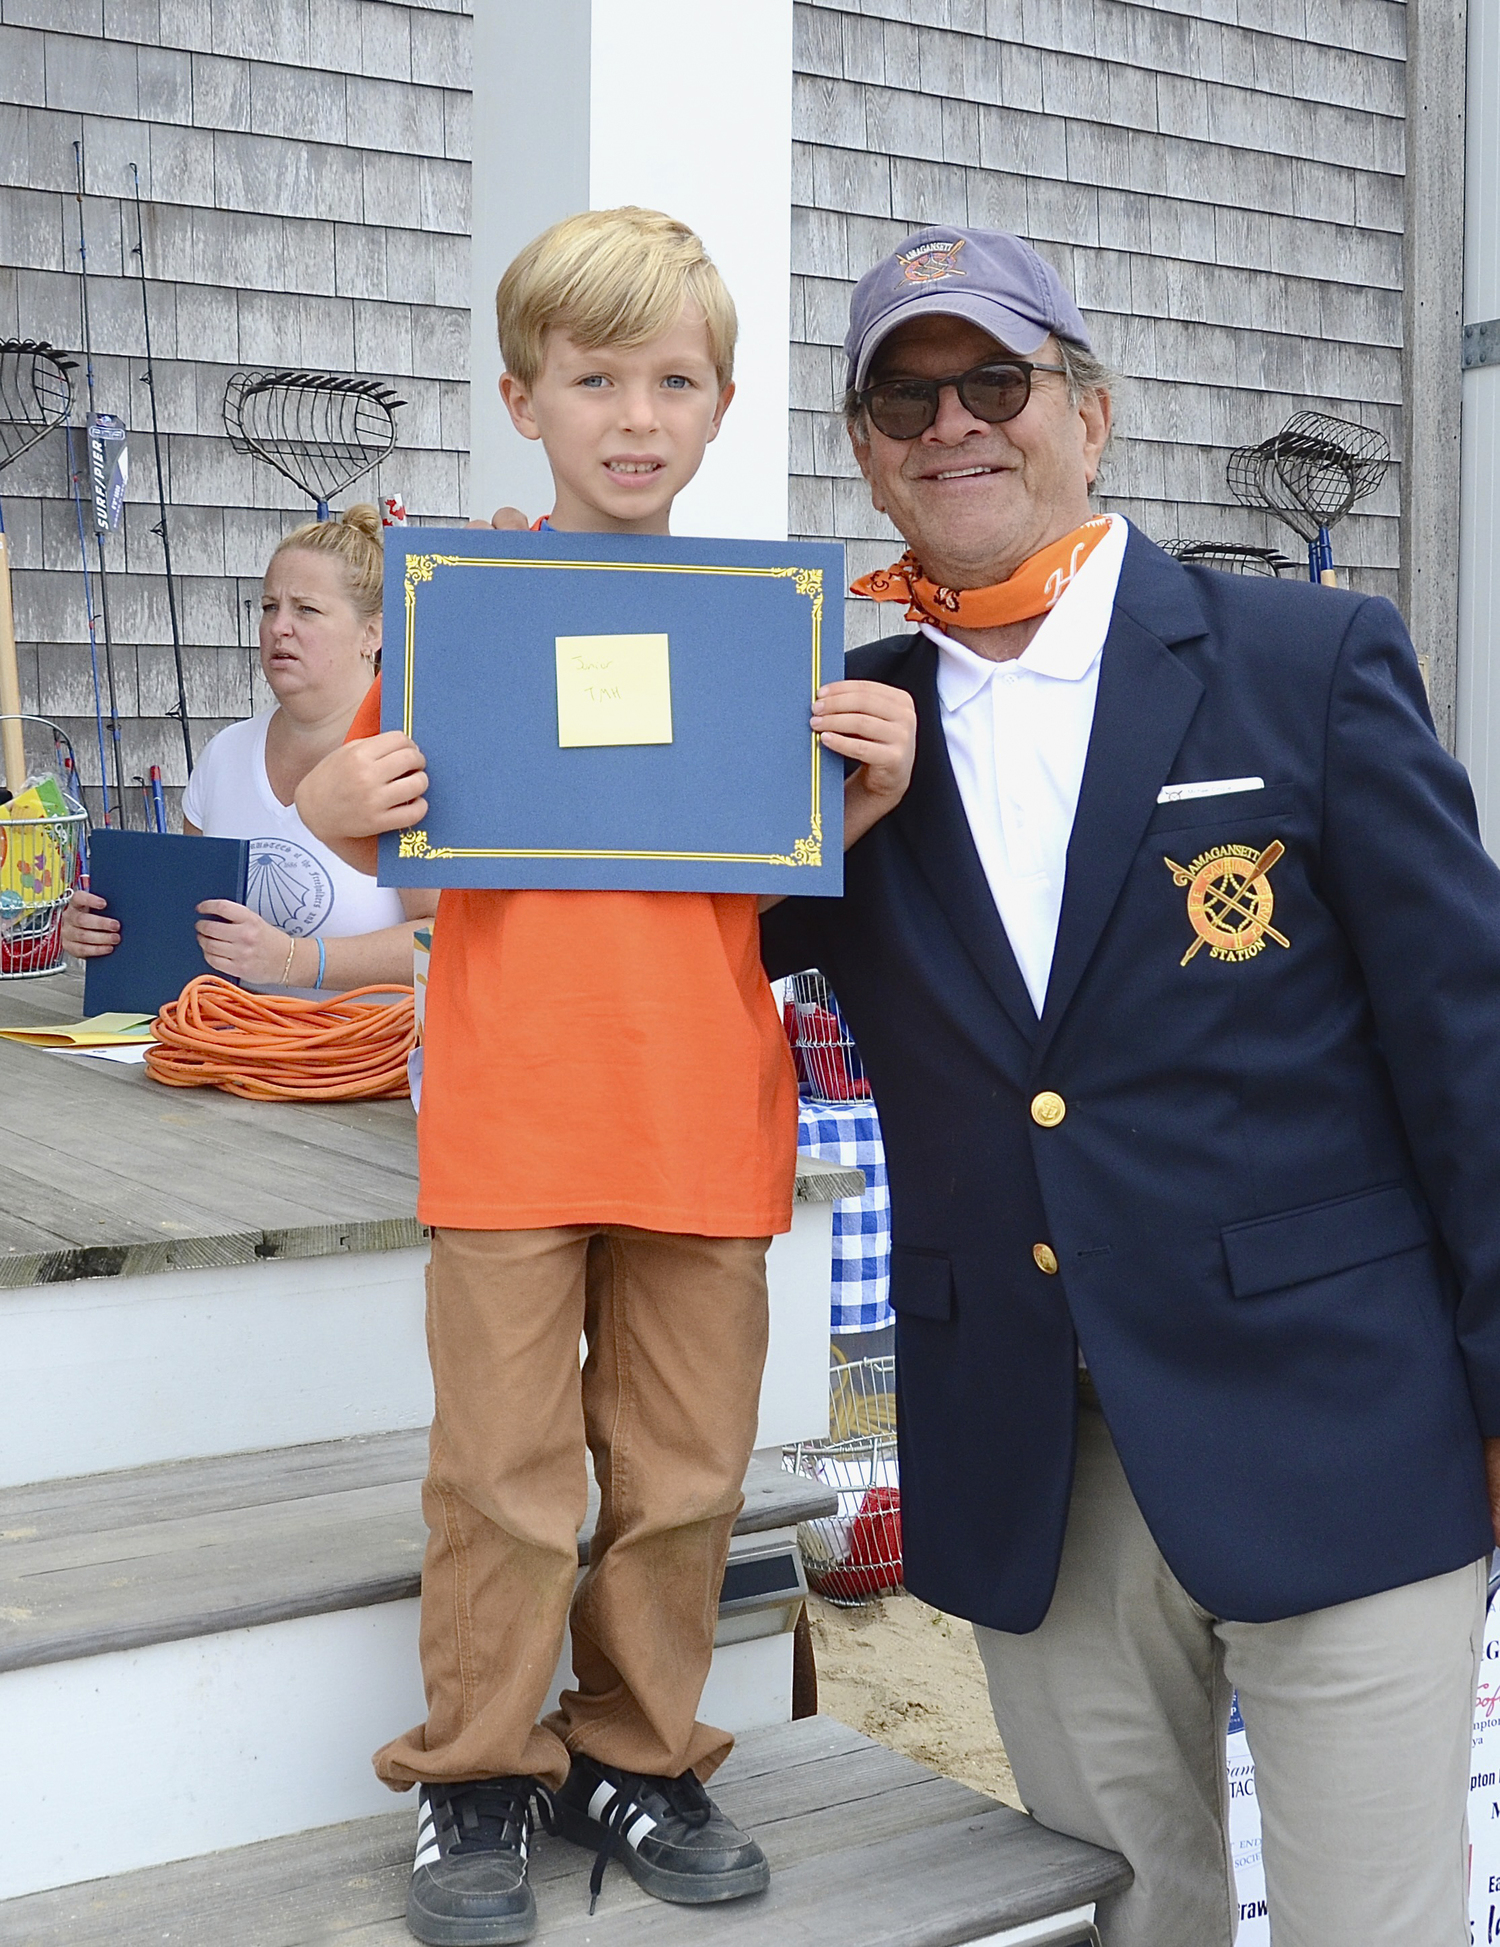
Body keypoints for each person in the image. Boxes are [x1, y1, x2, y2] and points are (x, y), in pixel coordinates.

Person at [759, 223, 1500, 1947]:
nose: (955, 426)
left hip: (1344, 1420)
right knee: (1127, 1923)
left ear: (1090, 412)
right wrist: (559, 600)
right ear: (867, 451)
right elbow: (644, 940)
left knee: (1370, 1926)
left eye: (997, 382)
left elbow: (1469, 1053)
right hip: (1031, 1452)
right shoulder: (828, 733)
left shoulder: (1305, 665)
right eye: (903, 396)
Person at [294, 206, 912, 1947]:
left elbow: (781, 888)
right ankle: (481, 1775)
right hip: (509, 1118)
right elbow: (374, 828)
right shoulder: (461, 612)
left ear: (719, 409)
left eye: (673, 380)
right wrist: (335, 810)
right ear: (522, 398)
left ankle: (640, 1750)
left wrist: (858, 802)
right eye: (592, 380)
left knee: (688, 1474)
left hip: (708, 1118)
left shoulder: (770, 637)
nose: (633, 416)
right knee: (499, 1473)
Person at [60, 505, 436, 991]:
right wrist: (106, 930)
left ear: (373, 633)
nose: (280, 626)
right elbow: (189, 922)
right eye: (268, 607)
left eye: (307, 609)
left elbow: (445, 938)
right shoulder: (224, 754)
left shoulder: (405, 764)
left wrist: (300, 961)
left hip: (365, 1059)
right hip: (234, 1050)